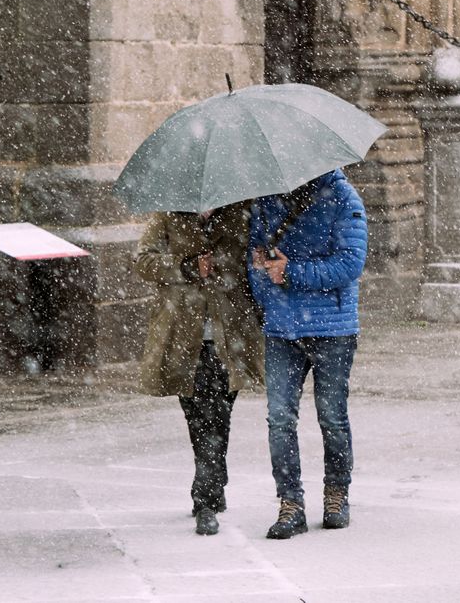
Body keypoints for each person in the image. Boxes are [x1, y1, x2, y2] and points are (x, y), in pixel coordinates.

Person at [247, 167, 368, 540]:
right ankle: (290, 503)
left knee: (331, 416)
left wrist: (292, 272)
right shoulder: (265, 201)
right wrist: (266, 283)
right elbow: (254, 260)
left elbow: (350, 262)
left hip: (332, 326)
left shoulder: (343, 197)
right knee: (279, 419)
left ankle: (336, 494)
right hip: (282, 327)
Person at [133, 202, 265, 536]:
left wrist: (251, 262)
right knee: (196, 413)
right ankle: (210, 484)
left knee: (219, 413)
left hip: (229, 333)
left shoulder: (242, 210)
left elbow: (257, 255)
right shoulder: (166, 212)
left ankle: (207, 490)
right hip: (182, 333)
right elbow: (144, 262)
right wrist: (187, 266)